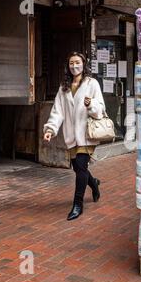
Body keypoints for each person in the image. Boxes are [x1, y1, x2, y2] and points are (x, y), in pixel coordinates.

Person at [43, 52, 105, 221]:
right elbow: (58, 112)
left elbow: (100, 109)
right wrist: (50, 129)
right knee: (79, 168)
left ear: (83, 64)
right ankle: (94, 184)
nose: (74, 66)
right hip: (71, 134)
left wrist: (90, 104)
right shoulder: (64, 87)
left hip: (86, 134)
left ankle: (77, 204)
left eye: (77, 62)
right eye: (71, 63)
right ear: (68, 66)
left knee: (81, 167)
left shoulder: (92, 83)